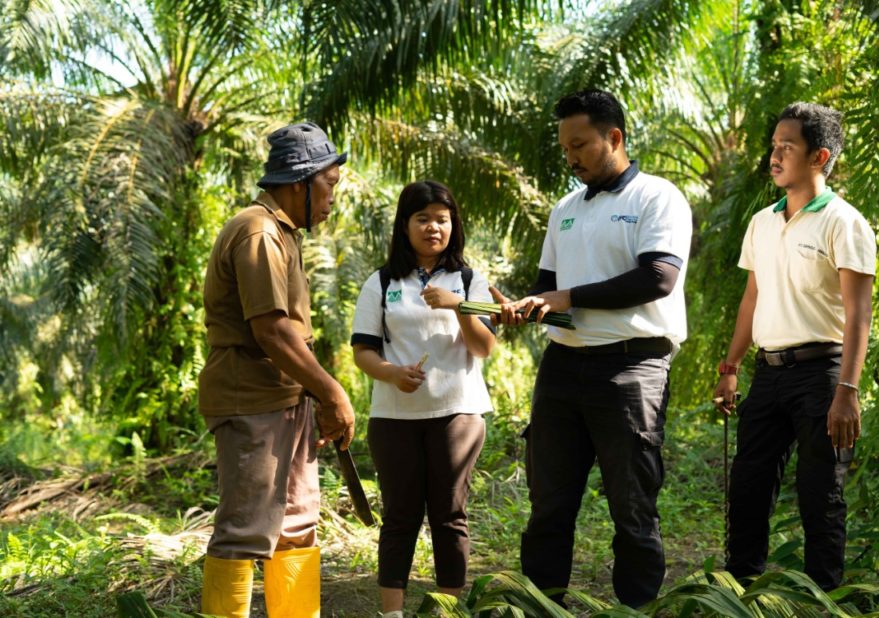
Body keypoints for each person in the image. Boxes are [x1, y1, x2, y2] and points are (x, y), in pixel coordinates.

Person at [492, 89, 692, 608]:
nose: (571, 157)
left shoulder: (656, 197)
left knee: (633, 507)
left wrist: (567, 296)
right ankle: (542, 604)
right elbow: (549, 291)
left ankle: (636, 608)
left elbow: (658, 277)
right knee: (548, 506)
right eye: (565, 148)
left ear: (614, 137)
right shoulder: (564, 210)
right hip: (562, 369)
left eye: (579, 144)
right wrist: (522, 308)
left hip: (632, 367)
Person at [713, 102, 875, 591]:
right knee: (748, 485)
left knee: (819, 493)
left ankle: (823, 597)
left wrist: (847, 389)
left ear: (819, 156)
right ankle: (742, 592)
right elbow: (752, 298)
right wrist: (731, 366)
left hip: (822, 376)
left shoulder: (843, 223)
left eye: (787, 146)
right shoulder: (763, 222)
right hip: (769, 373)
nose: (774, 155)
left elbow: (858, 313)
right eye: (773, 145)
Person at [198, 122, 357, 618]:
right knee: (245, 531)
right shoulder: (259, 232)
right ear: (299, 183)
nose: (333, 198)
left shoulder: (282, 233)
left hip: (284, 399)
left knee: (296, 525)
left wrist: (318, 392)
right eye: (329, 185)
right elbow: (272, 330)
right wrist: (333, 393)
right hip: (253, 399)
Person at [350, 180, 497, 618]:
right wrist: (392, 374)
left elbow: (484, 348)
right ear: (404, 225)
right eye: (423, 218)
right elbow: (363, 351)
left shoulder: (470, 280)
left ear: (454, 225)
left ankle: (447, 611)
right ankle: (391, 612)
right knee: (399, 516)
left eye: (442, 219)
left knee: (449, 516)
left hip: (458, 412)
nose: (434, 227)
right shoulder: (380, 282)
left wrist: (459, 306)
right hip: (394, 416)